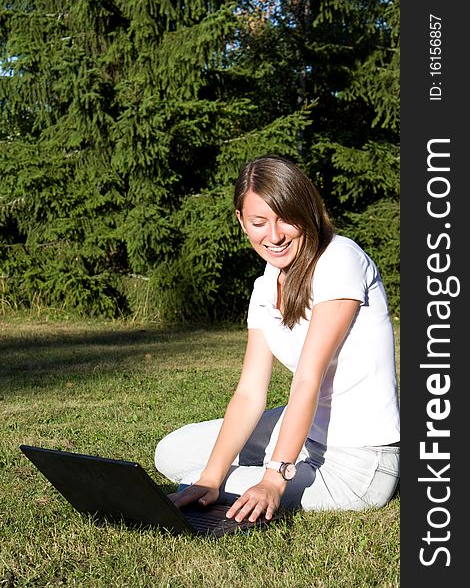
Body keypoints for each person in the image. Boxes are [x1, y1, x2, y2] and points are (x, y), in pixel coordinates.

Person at [154, 155, 400, 523]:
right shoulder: (266, 285)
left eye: (286, 218)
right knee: (171, 454)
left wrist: (274, 478)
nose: (274, 235)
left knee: (188, 479)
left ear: (308, 212)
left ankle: (274, 465)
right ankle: (242, 468)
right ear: (241, 222)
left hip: (358, 462)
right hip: (303, 433)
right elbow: (250, 394)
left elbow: (307, 378)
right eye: (259, 222)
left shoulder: (340, 259)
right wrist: (211, 476)